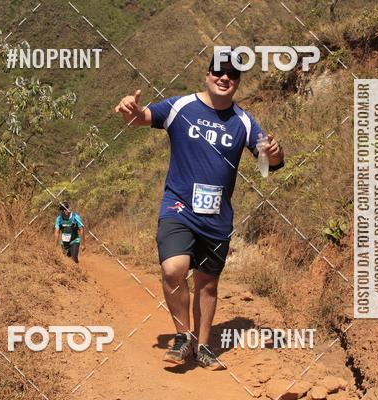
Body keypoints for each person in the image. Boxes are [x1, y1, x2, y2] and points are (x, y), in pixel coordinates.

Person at [114, 49, 285, 370]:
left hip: (217, 217)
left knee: (207, 284)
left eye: (232, 75)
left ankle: (203, 346)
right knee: (173, 269)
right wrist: (130, 110)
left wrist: (274, 152)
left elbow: (270, 163)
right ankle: (183, 336)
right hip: (178, 207)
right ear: (207, 75)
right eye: (219, 71)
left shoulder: (244, 122)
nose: (225, 78)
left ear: (237, 82)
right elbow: (139, 118)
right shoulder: (180, 107)